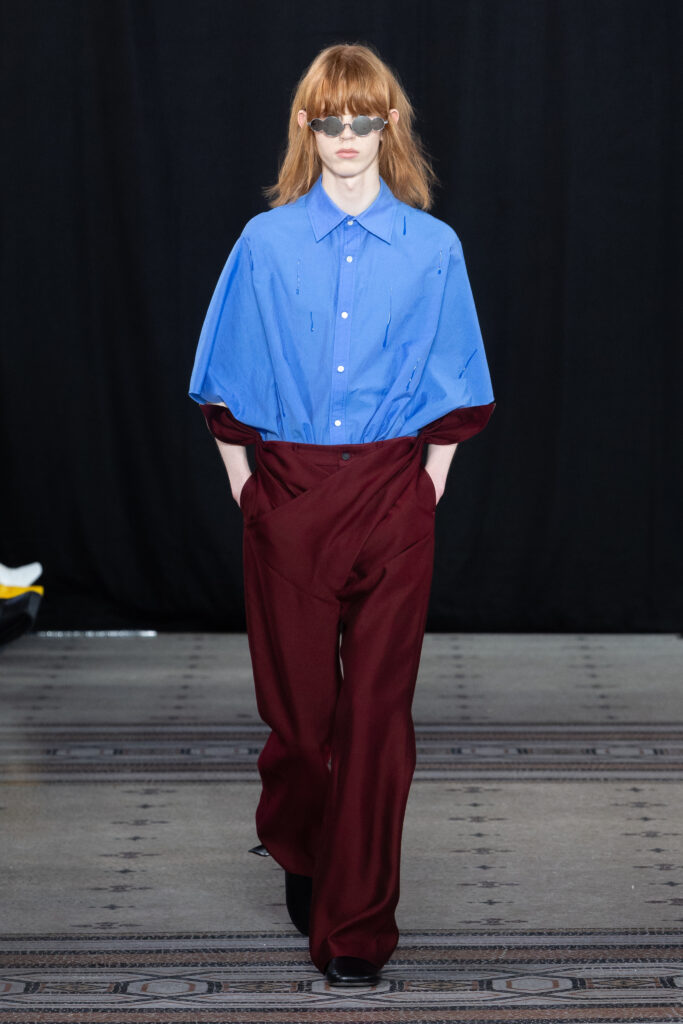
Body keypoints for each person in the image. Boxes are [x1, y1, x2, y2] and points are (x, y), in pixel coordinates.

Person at [188, 41, 495, 987]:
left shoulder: (433, 249)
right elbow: (222, 377)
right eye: (332, 121)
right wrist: (246, 486)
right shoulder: (265, 242)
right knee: (300, 719)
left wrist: (429, 480)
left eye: (365, 120)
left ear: (389, 125)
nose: (349, 137)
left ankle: (357, 924)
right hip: (287, 491)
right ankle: (300, 839)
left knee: (375, 717)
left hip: (392, 493)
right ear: (307, 127)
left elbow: (457, 373)